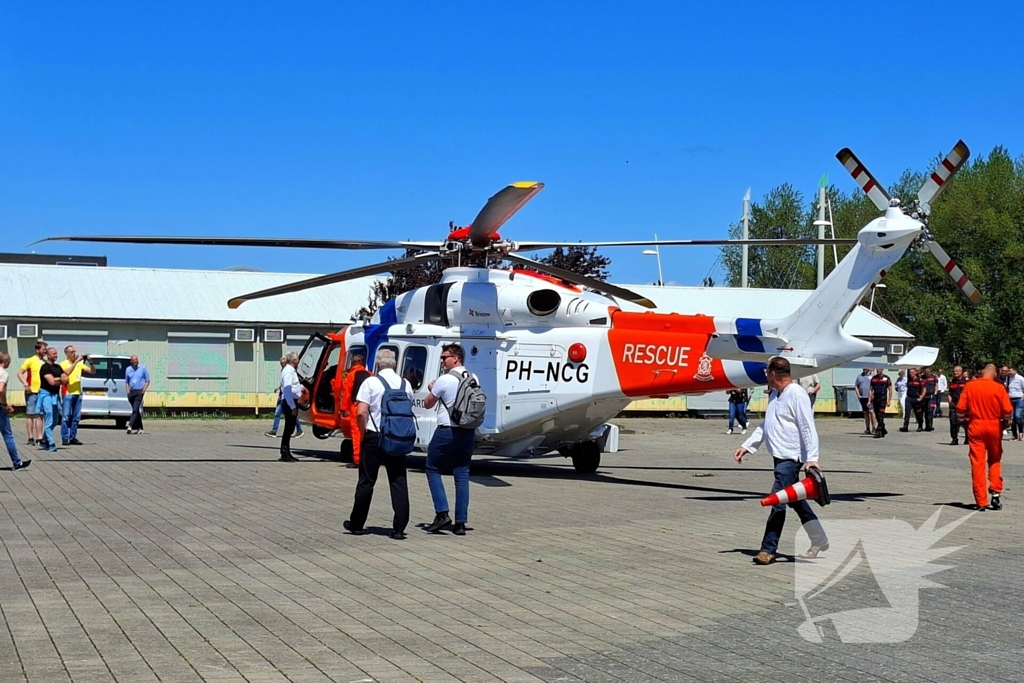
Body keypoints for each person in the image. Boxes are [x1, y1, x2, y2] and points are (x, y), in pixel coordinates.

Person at [734, 357, 828, 565]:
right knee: (795, 500)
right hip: (779, 457)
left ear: (773, 374)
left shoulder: (797, 394)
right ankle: (819, 538)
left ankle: (768, 549)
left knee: (777, 501)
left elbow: (807, 427)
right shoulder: (776, 395)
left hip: (791, 458)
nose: (766, 377)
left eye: (767, 373)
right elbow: (766, 425)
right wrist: (747, 446)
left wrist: (812, 458)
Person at [344, 348, 413, 539]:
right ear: (395, 363)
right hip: (397, 437)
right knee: (398, 481)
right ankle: (399, 528)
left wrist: (363, 431)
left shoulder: (371, 382)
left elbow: (360, 412)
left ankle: (357, 524)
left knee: (366, 481)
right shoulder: (405, 383)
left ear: (377, 364)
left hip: (374, 436)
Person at [423, 344, 478, 535]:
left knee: (432, 468)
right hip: (467, 431)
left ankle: (442, 513)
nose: (442, 361)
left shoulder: (444, 379)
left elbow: (427, 403)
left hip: (447, 430)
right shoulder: (473, 378)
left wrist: (432, 389)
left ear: (456, 358)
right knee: (462, 474)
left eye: (444, 357)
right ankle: (461, 523)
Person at [956, 364, 1013, 511]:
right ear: (994, 375)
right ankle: (995, 491)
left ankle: (981, 501)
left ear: (982, 373)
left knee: (977, 463)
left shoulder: (970, 386)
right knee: (994, 459)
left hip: (975, 425)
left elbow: (961, 408)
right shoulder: (998, 388)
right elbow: (1007, 409)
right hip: (994, 426)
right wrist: (1006, 420)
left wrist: (963, 421)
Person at [0, 352, 30, 470]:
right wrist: (5, 404)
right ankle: (17, 462)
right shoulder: (3, 373)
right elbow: (1, 389)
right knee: (8, 435)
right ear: (6, 361)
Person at [339, 354, 371, 467]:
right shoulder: (369, 374)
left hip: (356, 406)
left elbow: (347, 393)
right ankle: (368, 457)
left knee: (357, 433)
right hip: (368, 407)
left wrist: (343, 408)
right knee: (368, 433)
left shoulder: (351, 375)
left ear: (352, 363)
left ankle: (357, 459)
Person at [60, 346, 95, 446]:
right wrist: (76, 362)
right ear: (67, 353)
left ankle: (72, 437)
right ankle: (65, 437)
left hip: (77, 393)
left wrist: (90, 362)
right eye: (71, 352)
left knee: (76, 417)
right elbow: (67, 372)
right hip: (67, 393)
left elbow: (92, 372)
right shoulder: (63, 364)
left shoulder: (79, 364)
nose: (74, 354)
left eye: (74, 352)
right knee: (66, 416)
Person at [265, 357, 304, 439]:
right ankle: (299, 430)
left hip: (287, 397)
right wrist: (279, 388)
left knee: (279, 413)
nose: (282, 365)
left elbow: (288, 385)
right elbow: (284, 384)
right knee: (287, 414)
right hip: (282, 396)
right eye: (281, 364)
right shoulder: (284, 371)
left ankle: (275, 431)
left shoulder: (288, 371)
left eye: (283, 363)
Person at [17, 340, 47, 446]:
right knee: (30, 415)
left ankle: (39, 437)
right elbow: (20, 373)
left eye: (46, 350)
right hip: (31, 391)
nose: (45, 352)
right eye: (43, 350)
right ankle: (30, 437)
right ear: (37, 350)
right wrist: (26, 384)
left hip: (42, 391)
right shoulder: (30, 360)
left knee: (40, 415)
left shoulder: (45, 362)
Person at [37, 348, 67, 452]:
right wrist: (60, 380)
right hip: (46, 396)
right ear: (48, 355)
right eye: (54, 354)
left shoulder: (58, 367)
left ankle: (44, 439)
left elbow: (66, 379)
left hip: (55, 396)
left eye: (56, 353)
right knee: (49, 418)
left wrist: (58, 379)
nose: (56, 355)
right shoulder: (45, 368)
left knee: (55, 420)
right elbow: (51, 382)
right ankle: (51, 443)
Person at [278, 352, 303, 462]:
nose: (298, 360)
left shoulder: (290, 371)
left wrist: (301, 388)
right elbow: (287, 391)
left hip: (291, 401)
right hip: (290, 402)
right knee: (288, 429)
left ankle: (287, 452)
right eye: (297, 359)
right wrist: (292, 407)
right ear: (294, 360)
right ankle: (284, 453)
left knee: (290, 428)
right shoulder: (288, 371)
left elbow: (293, 386)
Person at [125, 356, 150, 434]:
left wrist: (144, 390)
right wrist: (128, 391)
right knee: (136, 411)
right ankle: (140, 428)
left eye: (137, 360)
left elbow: (148, 380)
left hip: (139, 392)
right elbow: (126, 382)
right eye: (134, 360)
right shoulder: (128, 370)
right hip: (131, 392)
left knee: (135, 409)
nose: (136, 361)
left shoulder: (142, 368)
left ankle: (130, 426)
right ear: (131, 361)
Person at [869, 368, 893, 438]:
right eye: (877, 369)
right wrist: (869, 400)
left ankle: (878, 431)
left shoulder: (886, 378)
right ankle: (883, 429)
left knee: (880, 415)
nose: (878, 370)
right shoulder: (873, 378)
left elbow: (890, 389)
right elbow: (870, 389)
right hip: (875, 399)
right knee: (877, 415)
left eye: (879, 369)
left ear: (882, 369)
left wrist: (889, 400)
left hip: (883, 399)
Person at [900, 368, 926, 432]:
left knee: (918, 414)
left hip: (916, 399)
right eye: (910, 372)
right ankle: (905, 426)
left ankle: (920, 426)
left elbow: (924, 389)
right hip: (909, 398)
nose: (911, 374)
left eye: (912, 372)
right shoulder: (909, 380)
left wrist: (921, 397)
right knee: (907, 413)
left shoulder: (919, 380)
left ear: (915, 373)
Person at [947, 366, 968, 446]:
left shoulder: (966, 382)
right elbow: (949, 393)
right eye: (954, 371)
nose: (955, 373)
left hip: (964, 406)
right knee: (953, 422)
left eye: (957, 371)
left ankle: (967, 438)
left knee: (965, 423)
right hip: (954, 405)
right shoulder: (952, 382)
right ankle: (954, 439)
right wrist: (950, 402)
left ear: (961, 372)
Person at [1004, 367, 1024, 441]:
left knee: (1018, 416)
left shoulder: (1020, 378)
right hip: (1010, 399)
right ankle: (1014, 435)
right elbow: (1007, 388)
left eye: (1011, 371)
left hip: (1019, 399)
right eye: (1009, 371)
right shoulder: (1008, 378)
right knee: (1012, 419)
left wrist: (1022, 397)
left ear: (1015, 371)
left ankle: (1021, 433)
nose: (1009, 372)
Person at [854, 368, 875, 435]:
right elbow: (856, 386)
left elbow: (875, 386)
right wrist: (858, 395)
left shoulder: (873, 376)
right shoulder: (859, 376)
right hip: (863, 397)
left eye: (866, 368)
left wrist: (873, 394)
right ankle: (867, 428)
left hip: (871, 397)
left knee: (871, 412)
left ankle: (874, 428)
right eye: (864, 368)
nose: (864, 369)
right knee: (865, 413)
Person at [920, 367, 938, 432]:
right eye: (925, 370)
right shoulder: (921, 377)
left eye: (927, 370)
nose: (926, 371)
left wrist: (935, 393)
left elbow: (936, 385)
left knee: (930, 410)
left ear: (929, 370)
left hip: (931, 396)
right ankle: (927, 425)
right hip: (924, 396)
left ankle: (930, 425)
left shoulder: (933, 377)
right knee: (925, 411)